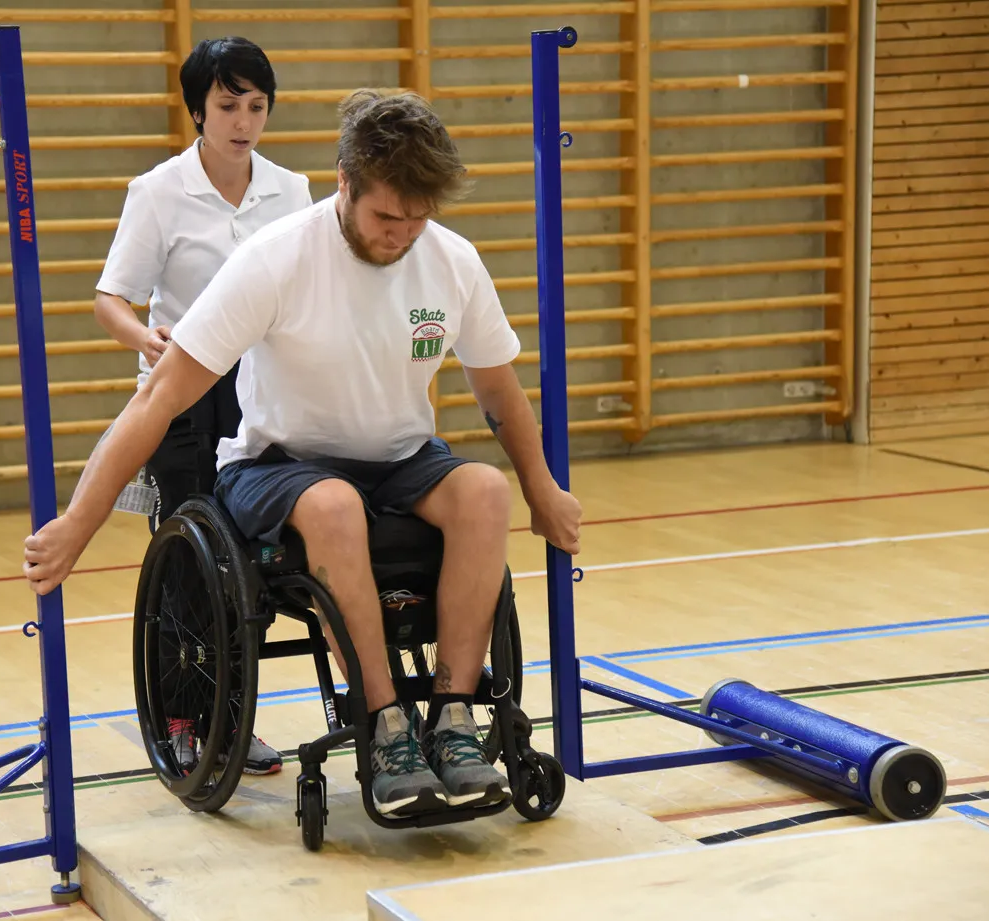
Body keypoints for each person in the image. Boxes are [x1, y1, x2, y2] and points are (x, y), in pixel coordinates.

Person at [29, 89, 583, 818]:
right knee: (332, 503)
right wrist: (77, 522)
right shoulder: (276, 259)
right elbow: (156, 399)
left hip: (399, 459)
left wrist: (542, 488)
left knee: (485, 491)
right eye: (387, 216)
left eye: (419, 219)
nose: (403, 235)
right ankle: (385, 727)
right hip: (278, 464)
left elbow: (501, 395)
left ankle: (452, 719)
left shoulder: (451, 261)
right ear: (344, 182)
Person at [88, 36, 311, 777]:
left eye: (256, 105)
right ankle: (185, 719)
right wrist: (144, 337)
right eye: (227, 105)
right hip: (185, 393)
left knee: (255, 566)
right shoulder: (158, 191)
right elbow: (110, 298)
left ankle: (234, 719)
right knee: (190, 565)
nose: (243, 120)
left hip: (265, 395)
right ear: (196, 110)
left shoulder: (292, 190)